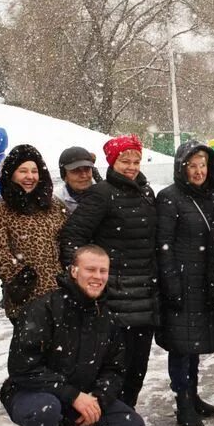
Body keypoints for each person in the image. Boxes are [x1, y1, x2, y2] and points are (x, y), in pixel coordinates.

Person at [1, 245, 146, 426]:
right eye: (90, 269)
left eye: (103, 271)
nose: (97, 276)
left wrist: (97, 400)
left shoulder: (107, 317)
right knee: (46, 408)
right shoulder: (43, 309)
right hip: (31, 394)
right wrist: (72, 395)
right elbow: (22, 368)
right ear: (74, 270)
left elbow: (115, 369)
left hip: (79, 396)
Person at [60, 135, 158, 409]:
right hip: (114, 296)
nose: (131, 166)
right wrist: (81, 279)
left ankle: (126, 412)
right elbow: (73, 235)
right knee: (113, 364)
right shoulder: (101, 194)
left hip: (145, 296)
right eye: (124, 161)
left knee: (139, 364)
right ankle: (105, 414)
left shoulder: (145, 192)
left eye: (136, 161)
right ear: (112, 161)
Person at [155, 142, 214, 426]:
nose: (198, 171)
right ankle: (183, 402)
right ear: (182, 168)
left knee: (193, 343)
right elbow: (164, 245)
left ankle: (193, 395)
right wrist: (171, 283)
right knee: (180, 346)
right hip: (182, 281)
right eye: (192, 165)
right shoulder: (169, 198)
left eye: (202, 165)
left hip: (205, 281)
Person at [0, 144, 68, 321]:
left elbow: (68, 242)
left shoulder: (54, 206)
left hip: (60, 294)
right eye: (23, 170)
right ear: (11, 173)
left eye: (34, 171)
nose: (30, 176)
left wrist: (67, 276)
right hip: (25, 297)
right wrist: (19, 277)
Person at [56, 146, 96, 214]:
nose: (84, 175)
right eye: (76, 170)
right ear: (64, 175)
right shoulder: (56, 201)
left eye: (87, 169)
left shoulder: (106, 195)